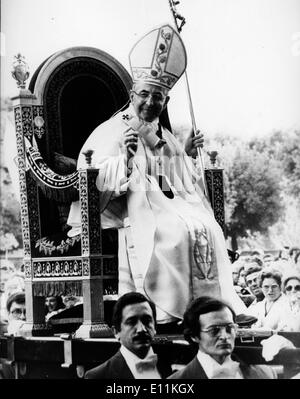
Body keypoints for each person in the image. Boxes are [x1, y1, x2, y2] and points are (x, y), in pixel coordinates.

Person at [67, 23, 246, 324]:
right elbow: (89, 178)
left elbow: (178, 181)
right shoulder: (112, 129)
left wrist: (185, 152)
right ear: (132, 93)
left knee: (208, 227)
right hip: (122, 209)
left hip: (163, 204)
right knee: (172, 232)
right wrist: (123, 157)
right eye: (145, 95)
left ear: (166, 101)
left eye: (158, 98)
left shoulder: (163, 133)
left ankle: (213, 310)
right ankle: (167, 312)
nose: (151, 103)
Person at [168, 296, 277, 379]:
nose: (224, 336)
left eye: (230, 328)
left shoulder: (265, 373)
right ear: (194, 336)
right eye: (214, 330)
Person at [84, 292, 172, 379]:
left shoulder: (172, 369)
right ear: (116, 332)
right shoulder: (98, 376)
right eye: (132, 322)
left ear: (155, 327)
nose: (141, 329)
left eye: (147, 321)